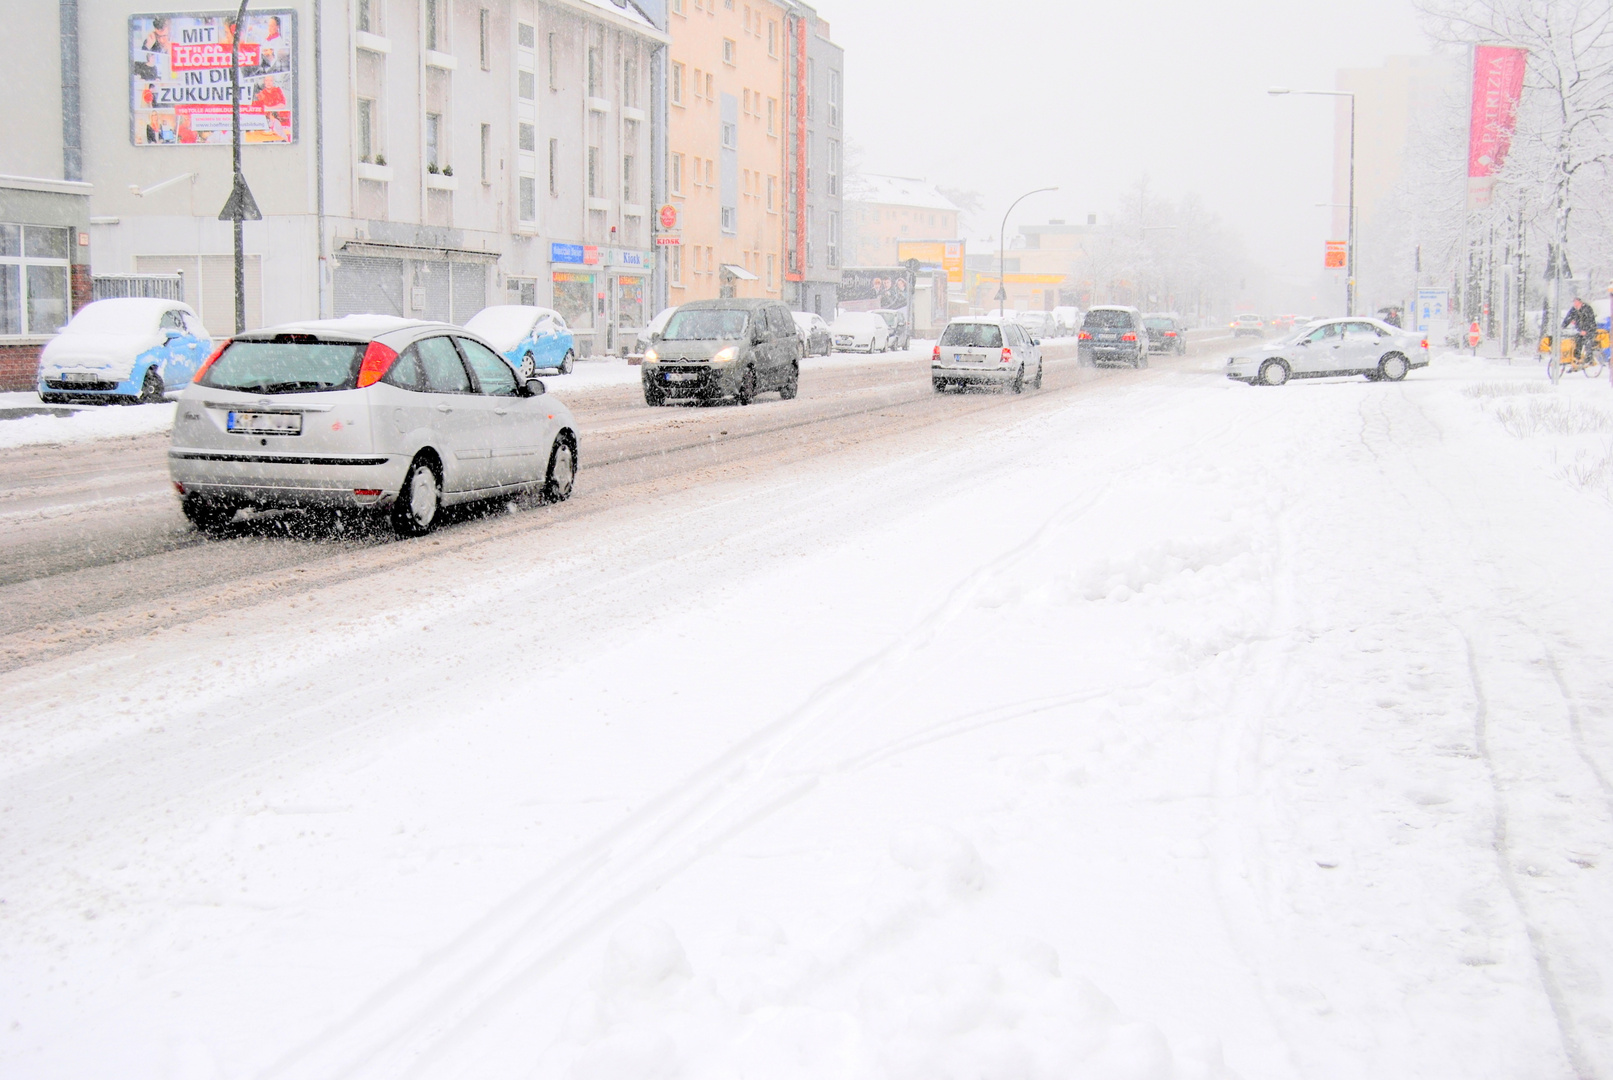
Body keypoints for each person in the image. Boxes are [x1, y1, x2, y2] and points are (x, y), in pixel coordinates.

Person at [1564, 298, 1598, 363]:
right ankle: (1577, 360)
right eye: (1574, 302)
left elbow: (1590, 320)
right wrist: (1562, 327)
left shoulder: (1587, 308)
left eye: (1576, 301)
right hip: (1580, 331)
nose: (1574, 303)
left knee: (1588, 342)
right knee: (1577, 342)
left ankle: (1589, 359)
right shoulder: (1574, 309)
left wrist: (1586, 330)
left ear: (1580, 302)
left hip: (1590, 330)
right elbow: (1568, 318)